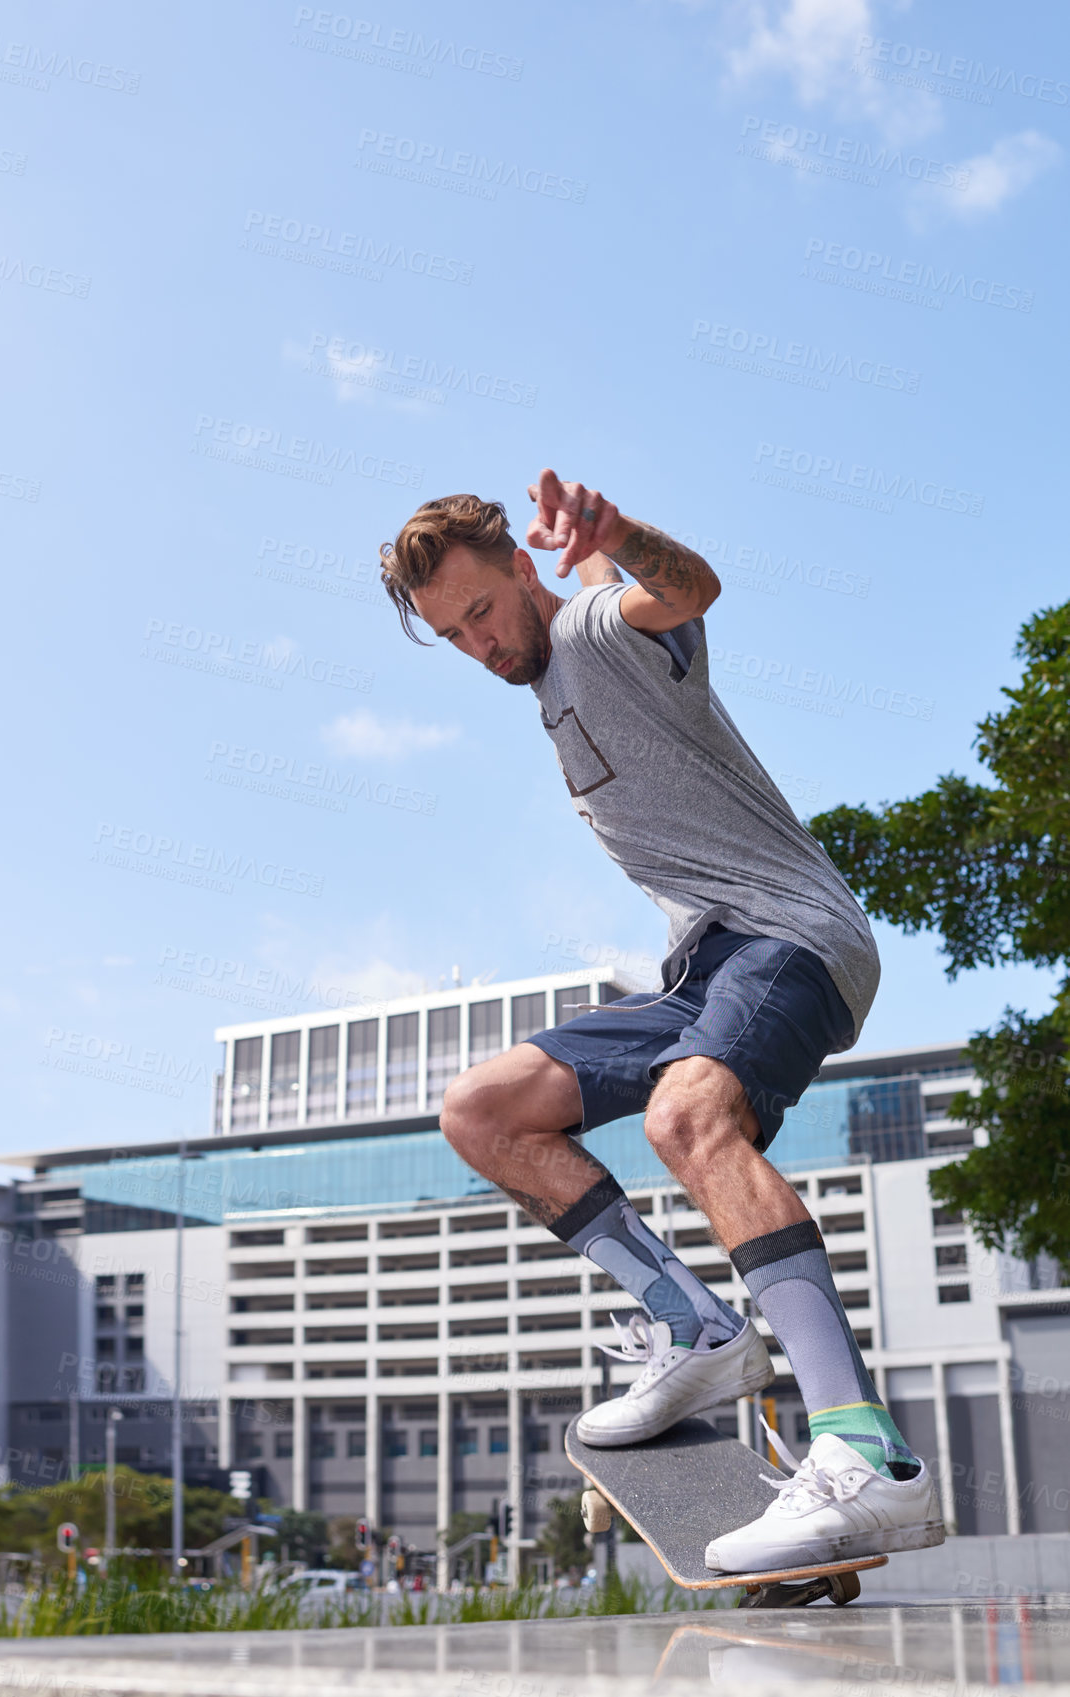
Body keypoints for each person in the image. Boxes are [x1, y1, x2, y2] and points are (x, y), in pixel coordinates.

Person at [377, 472, 944, 1573]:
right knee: (483, 1110)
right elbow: (594, 579)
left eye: (484, 611)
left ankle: (860, 1449)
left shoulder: (594, 625)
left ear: (522, 573)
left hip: (788, 934)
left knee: (688, 1116)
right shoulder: (559, 640)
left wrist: (620, 535)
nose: (482, 646)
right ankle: (695, 1330)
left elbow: (683, 590)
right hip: (702, 964)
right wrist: (590, 548)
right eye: (454, 636)